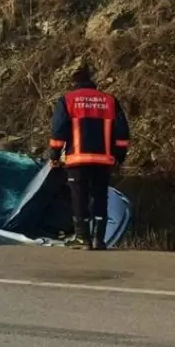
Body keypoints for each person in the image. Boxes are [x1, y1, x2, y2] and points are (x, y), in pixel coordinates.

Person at [48, 65, 130, 250]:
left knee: (79, 197)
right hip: (103, 161)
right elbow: (122, 132)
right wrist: (119, 156)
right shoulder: (109, 101)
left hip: (77, 160)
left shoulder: (68, 100)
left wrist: (54, 154)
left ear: (74, 83)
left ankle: (82, 238)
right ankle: (98, 239)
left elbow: (59, 129)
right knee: (101, 197)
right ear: (92, 82)